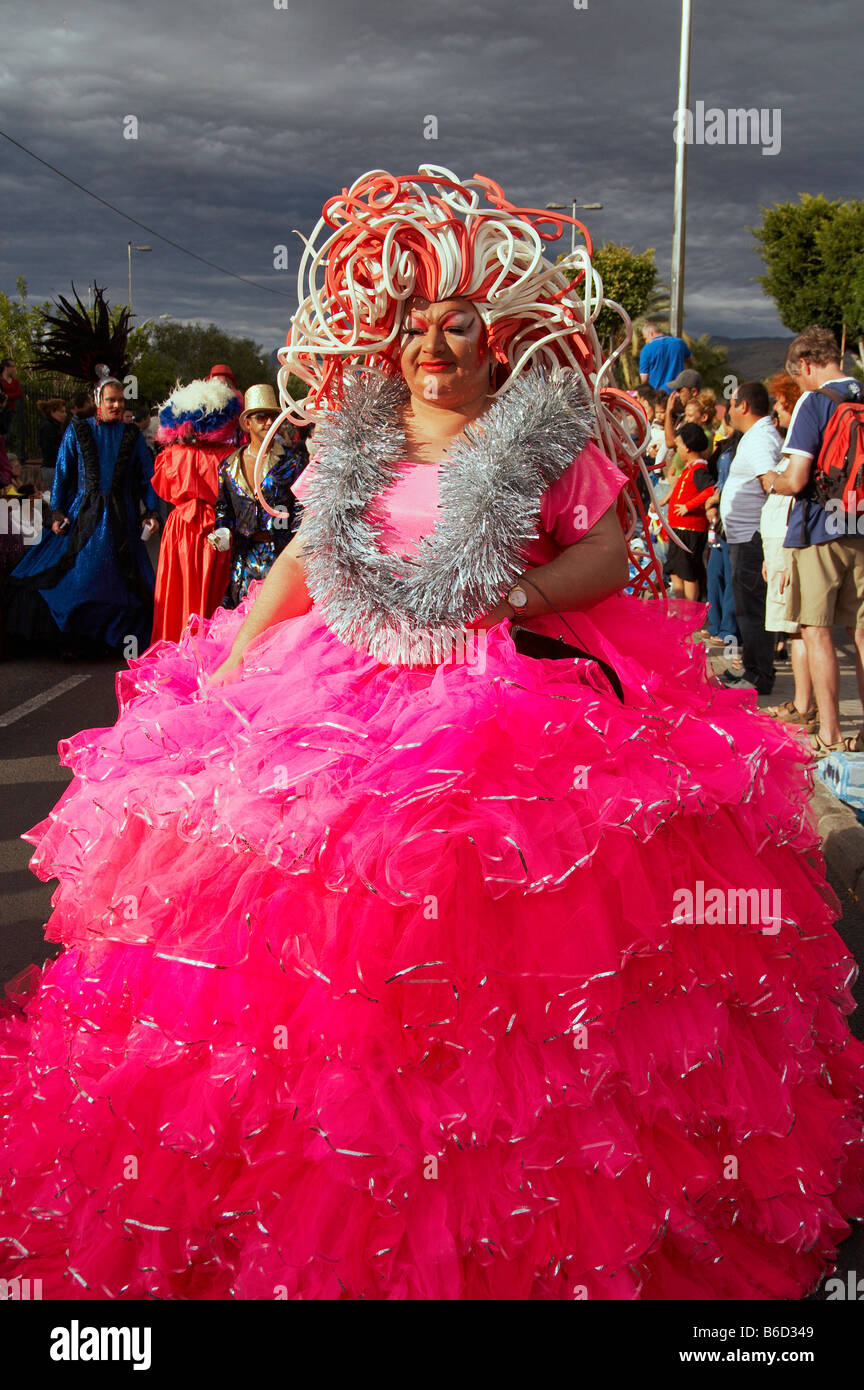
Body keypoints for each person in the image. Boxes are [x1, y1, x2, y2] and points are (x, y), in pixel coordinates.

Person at [0, 167, 861, 1302]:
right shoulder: (357, 439)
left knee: (492, 897)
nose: (433, 343)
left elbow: (609, 557)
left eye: (456, 325)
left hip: (501, 687)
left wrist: (503, 598)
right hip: (339, 683)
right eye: (415, 326)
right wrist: (237, 659)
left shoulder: (543, 434)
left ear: (495, 340)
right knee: (295, 904)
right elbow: (309, 559)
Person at [761, 326, 864, 757]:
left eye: (799, 377)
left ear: (805, 364)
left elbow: (797, 478)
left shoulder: (815, 401)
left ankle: (831, 732)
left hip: (823, 528)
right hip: (862, 522)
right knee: (860, 631)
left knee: (816, 630)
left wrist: (772, 480)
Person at [3, 378, 161, 655]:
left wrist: (150, 511)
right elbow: (63, 475)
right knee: (78, 577)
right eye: (111, 400)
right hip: (83, 517)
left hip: (121, 519)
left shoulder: (131, 435)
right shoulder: (77, 431)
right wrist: (57, 512)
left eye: (121, 400)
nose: (116, 405)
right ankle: (76, 640)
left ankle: (116, 642)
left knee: (121, 582)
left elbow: (146, 477)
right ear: (98, 402)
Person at [149, 377, 242, 645]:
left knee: (177, 590)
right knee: (214, 591)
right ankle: (208, 649)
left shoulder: (170, 456)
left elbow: (163, 490)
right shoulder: (229, 455)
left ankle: (176, 645)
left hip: (180, 529)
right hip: (217, 526)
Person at [208, 384, 307, 608]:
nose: (269, 423)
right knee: (243, 618)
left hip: (281, 557)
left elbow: (303, 510)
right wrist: (221, 531)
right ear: (247, 423)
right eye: (262, 417)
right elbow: (224, 509)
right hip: (244, 560)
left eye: (273, 416)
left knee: (277, 619)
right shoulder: (228, 466)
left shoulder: (294, 461)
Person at [718, 382, 782, 696]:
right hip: (746, 537)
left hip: (752, 538)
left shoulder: (759, 439)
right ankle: (752, 666)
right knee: (746, 608)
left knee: (751, 609)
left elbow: (772, 484)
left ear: (743, 406)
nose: (728, 411)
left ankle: (759, 675)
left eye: (730, 404)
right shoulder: (756, 436)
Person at [761, 374, 814, 730]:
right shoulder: (790, 449)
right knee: (797, 628)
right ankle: (804, 702)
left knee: (797, 629)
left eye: (779, 403)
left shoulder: (798, 454)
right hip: (780, 547)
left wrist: (771, 481)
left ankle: (804, 704)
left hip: (788, 547)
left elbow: (791, 493)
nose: (776, 411)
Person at [663, 421, 714, 600]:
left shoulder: (699, 468)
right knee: (675, 570)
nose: (677, 449)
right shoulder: (690, 468)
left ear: (688, 447)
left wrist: (688, 506)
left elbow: (710, 490)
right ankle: (679, 608)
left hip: (690, 529)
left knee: (688, 572)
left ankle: (690, 611)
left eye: (678, 445)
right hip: (678, 528)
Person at [638, 322, 691, 390]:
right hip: (676, 392)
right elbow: (689, 359)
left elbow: (644, 378)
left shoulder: (647, 349)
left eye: (645, 338)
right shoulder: (679, 343)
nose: (646, 342)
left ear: (651, 333)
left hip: (657, 394)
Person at [36, 397, 68, 493]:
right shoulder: (48, 427)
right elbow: (49, 448)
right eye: (62, 412)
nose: (65, 415)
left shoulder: (55, 427)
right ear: (53, 412)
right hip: (52, 468)